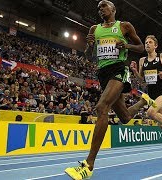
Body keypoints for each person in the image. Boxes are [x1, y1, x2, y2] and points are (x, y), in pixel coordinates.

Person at [65, 1, 155, 179]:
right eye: (98, 8)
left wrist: (126, 46)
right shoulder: (94, 29)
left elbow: (140, 47)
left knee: (101, 107)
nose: (100, 10)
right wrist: (90, 45)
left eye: (104, 6)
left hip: (119, 70)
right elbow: (89, 55)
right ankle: (144, 101)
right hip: (103, 74)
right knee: (125, 117)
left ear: (113, 9)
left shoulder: (124, 26)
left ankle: (88, 165)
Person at [130, 35, 162, 160]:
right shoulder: (142, 60)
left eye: (150, 42)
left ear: (155, 45)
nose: (147, 44)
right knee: (161, 126)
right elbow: (142, 81)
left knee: (150, 112)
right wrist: (135, 71)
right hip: (152, 93)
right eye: (146, 42)